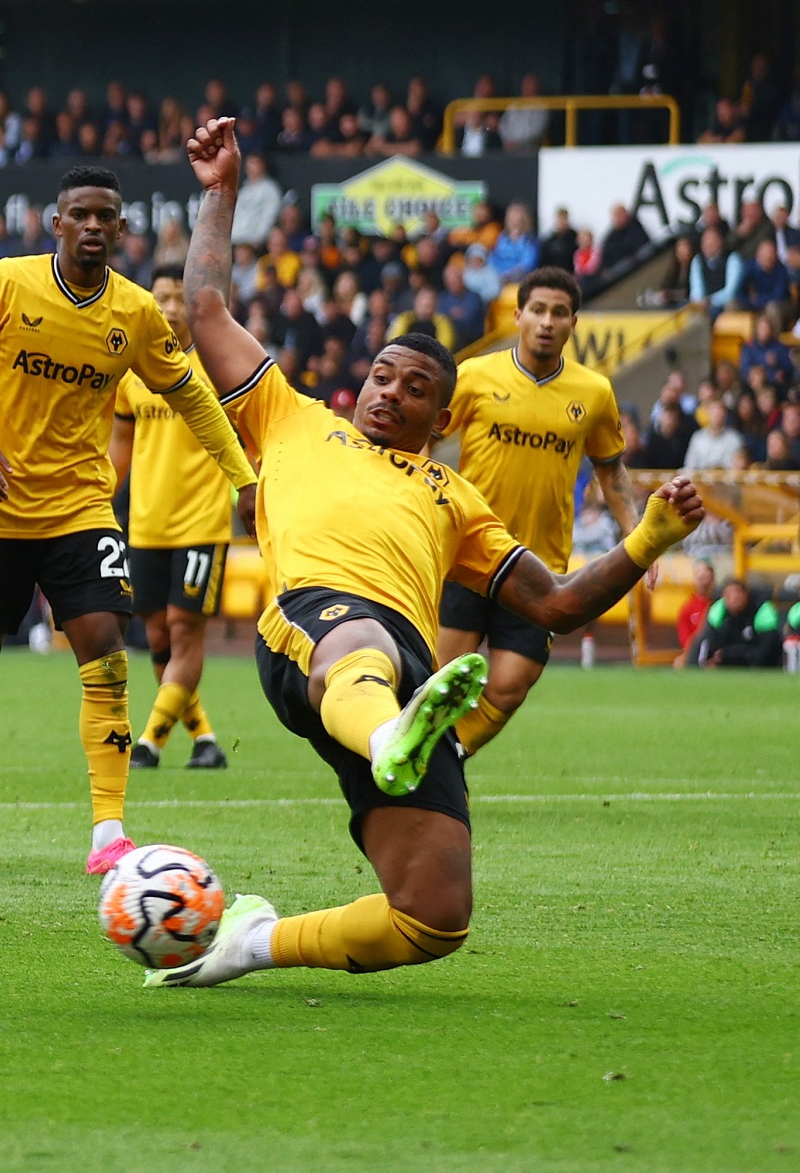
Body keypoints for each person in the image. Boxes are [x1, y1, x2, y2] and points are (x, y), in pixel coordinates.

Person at [149, 117, 703, 990]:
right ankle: (392, 731)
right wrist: (219, 191)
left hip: (411, 666)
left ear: (443, 420)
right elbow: (208, 307)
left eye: (415, 388)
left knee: (433, 916)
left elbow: (555, 604)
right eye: (382, 375)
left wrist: (646, 540)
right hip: (313, 623)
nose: (390, 393)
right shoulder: (292, 418)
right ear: (359, 381)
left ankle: (252, 941)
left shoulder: (456, 499)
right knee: (359, 650)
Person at [0, 168, 255, 875]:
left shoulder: (137, 313)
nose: (91, 225)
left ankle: (108, 831)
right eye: (78, 213)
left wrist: (245, 478)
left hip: (81, 508)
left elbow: (196, 396)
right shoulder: (4, 284)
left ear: (120, 229)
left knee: (106, 652)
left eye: (104, 216)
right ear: (57, 223)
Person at [434, 267, 643, 757]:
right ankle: (417, 770)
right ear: (518, 315)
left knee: (509, 686)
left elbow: (611, 472)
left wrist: (636, 538)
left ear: (574, 322)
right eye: (538, 310)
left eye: (559, 313)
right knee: (437, 682)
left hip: (540, 566)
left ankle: (445, 761)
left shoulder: (593, 392)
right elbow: (424, 439)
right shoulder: (475, 375)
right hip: (470, 553)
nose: (547, 322)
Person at [110, 264, 249, 773]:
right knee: (159, 638)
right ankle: (206, 740)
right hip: (146, 523)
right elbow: (121, 447)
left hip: (201, 524)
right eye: (161, 297)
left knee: (183, 631)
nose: (169, 308)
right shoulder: (133, 373)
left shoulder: (218, 367)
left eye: (178, 299)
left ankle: (148, 741)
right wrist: (102, 499)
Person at [697, 578, 782, 667]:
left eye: (738, 593)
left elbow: (766, 651)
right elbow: (707, 649)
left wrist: (727, 655)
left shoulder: (762, 610)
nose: (734, 598)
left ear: (746, 595)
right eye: (729, 595)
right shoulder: (718, 613)